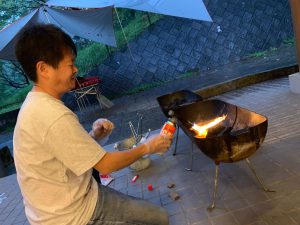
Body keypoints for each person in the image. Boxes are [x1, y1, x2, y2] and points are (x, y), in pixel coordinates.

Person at [13, 24, 173, 225]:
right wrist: (148, 147)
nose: (76, 69)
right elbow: (106, 164)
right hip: (72, 217)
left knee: (159, 217)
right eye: (70, 64)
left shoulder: (36, 105)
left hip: (84, 196)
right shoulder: (51, 114)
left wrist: (94, 135)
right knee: (158, 220)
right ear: (44, 69)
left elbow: (64, 153)